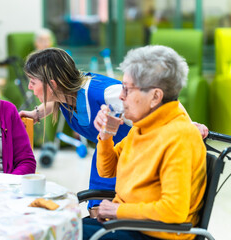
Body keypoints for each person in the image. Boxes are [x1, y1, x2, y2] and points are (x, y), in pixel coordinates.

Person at [19, 47, 208, 216]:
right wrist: (36, 114)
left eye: (32, 82)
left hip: (135, 159)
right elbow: (54, 102)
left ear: (52, 84)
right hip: (108, 152)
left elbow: (165, 100)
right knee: (97, 212)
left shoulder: (107, 93)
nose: (29, 87)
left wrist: (188, 124)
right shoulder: (64, 95)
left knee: (110, 214)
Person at [83, 45, 207, 240]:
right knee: (62, 226)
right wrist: (106, 137)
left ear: (155, 96)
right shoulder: (142, 128)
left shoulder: (180, 136)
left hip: (154, 234)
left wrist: (118, 211)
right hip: (126, 224)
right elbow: (107, 171)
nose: (121, 96)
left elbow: (173, 211)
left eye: (127, 89)